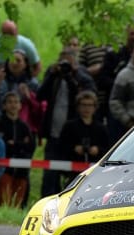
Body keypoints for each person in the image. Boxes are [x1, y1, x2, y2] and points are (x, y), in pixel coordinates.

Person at [37, 47, 96, 197]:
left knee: (72, 176)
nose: (64, 65)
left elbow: (85, 94)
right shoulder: (53, 75)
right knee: (50, 174)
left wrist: (72, 74)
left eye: (68, 61)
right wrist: (52, 74)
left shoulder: (80, 75)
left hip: (71, 136)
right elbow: (40, 95)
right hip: (53, 133)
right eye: (62, 61)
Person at [97, 24, 134, 144]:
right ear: (126, 36)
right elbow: (102, 79)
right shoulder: (114, 55)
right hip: (116, 108)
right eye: (132, 34)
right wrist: (122, 86)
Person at [0, 50, 45, 140]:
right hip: (5, 125)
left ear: (25, 64)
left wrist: (29, 96)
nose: (14, 63)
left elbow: (39, 106)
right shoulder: (2, 80)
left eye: (18, 60)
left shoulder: (33, 82)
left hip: (27, 127)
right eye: (12, 60)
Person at [0, 91, 35, 208]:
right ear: (4, 105)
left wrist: (14, 144)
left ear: (20, 106)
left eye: (16, 102)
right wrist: (20, 144)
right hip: (4, 170)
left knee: (18, 203)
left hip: (22, 171)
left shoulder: (25, 126)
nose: (13, 105)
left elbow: (30, 147)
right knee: (4, 201)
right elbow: (0, 145)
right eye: (10, 102)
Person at [59, 91, 109, 180]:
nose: (87, 108)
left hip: (95, 171)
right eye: (84, 105)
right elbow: (61, 146)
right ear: (78, 107)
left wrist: (98, 150)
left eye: (90, 105)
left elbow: (108, 148)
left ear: (95, 107)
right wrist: (74, 148)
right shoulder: (69, 126)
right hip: (73, 171)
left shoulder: (101, 128)